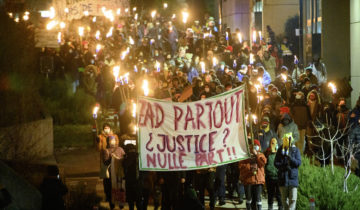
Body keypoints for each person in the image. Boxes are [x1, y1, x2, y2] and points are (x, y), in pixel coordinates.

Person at [97, 123, 125, 209]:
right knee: (109, 188)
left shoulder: (120, 149)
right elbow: (104, 158)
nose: (112, 141)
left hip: (118, 172)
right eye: (111, 140)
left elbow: (124, 157)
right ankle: (111, 202)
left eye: (114, 140)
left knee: (119, 187)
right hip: (110, 172)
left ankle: (120, 202)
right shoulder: (106, 150)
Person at [274, 135, 301, 210]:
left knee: (293, 199)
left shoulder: (296, 150)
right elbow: (276, 163)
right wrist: (283, 165)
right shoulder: (280, 150)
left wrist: (291, 158)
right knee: (284, 200)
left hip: (293, 179)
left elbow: (298, 163)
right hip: (283, 179)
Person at [239, 140, 267, 210]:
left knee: (258, 199)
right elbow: (241, 166)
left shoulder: (261, 155)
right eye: (253, 145)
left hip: (258, 180)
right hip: (248, 180)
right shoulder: (245, 156)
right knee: (249, 198)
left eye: (256, 145)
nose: (255, 147)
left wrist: (257, 155)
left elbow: (263, 162)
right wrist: (250, 168)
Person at [265, 138, 283, 210]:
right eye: (272, 143)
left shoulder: (280, 152)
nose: (273, 144)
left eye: (274, 143)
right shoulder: (267, 152)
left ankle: (280, 207)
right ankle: (270, 207)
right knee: (270, 194)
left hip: (278, 177)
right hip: (269, 177)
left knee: (279, 194)